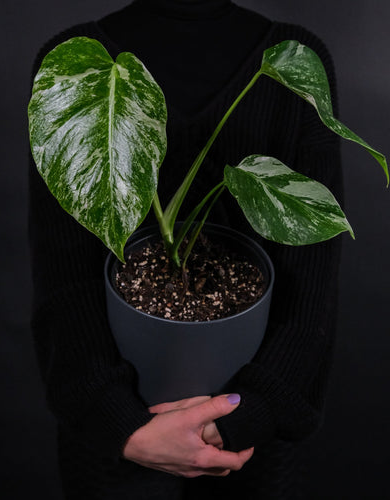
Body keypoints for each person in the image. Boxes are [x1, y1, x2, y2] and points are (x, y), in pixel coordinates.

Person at [28, 0, 343, 498]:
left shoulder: (294, 56)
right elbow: (64, 271)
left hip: (251, 436)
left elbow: (314, 280)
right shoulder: (75, 58)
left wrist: (252, 412)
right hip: (118, 435)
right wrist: (119, 423)